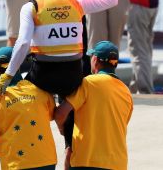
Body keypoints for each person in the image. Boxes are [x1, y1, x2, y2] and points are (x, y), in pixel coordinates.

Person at [54, 41, 133, 170]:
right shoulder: (126, 91)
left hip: (87, 161)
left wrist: (63, 130)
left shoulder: (89, 83)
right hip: (118, 163)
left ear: (95, 60)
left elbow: (60, 114)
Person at [0, 76, 57, 169]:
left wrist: (5, 153)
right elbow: (52, 115)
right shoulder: (41, 91)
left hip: (16, 163)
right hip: (46, 160)